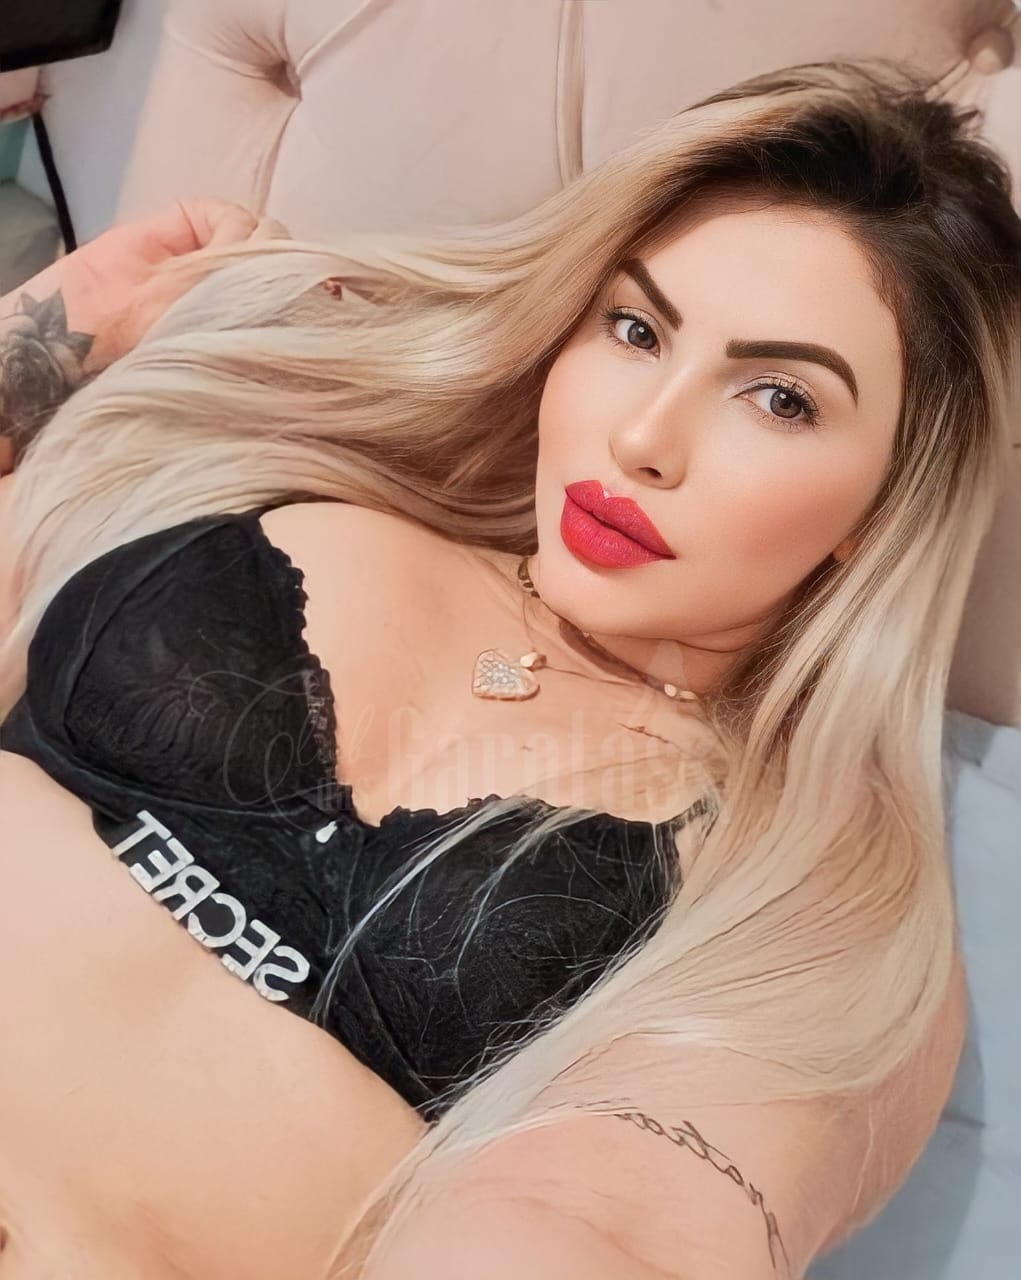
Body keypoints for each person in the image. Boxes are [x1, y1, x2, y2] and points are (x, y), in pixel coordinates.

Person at [0, 55, 1017, 1280]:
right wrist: (70, 321)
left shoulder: (805, 892)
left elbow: (630, 1224)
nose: (643, 436)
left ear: (886, 500)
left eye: (779, 399)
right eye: (635, 329)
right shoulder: (284, 467)